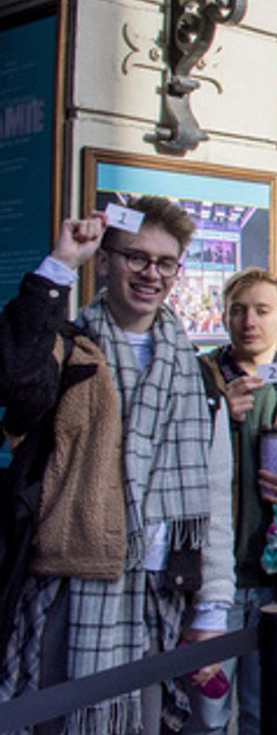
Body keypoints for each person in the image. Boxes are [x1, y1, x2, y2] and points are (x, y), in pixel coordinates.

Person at [0, 201, 235, 733]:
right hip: (69, 586)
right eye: (135, 258)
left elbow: (215, 495)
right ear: (104, 262)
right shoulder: (66, 350)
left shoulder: (198, 376)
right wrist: (61, 263)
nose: (151, 274)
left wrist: (212, 608)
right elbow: (14, 380)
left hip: (158, 595)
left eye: (165, 263)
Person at [189, 269, 277, 735]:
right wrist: (215, 413)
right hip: (212, 582)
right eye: (238, 309)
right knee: (204, 715)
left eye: (263, 311)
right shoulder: (196, 380)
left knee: (264, 711)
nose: (249, 321)